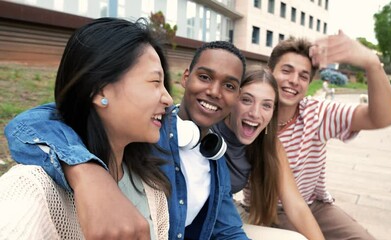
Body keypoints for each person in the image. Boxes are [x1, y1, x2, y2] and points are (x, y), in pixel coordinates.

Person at [4, 40, 249, 239]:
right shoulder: (150, 131)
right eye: (205, 77)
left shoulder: (209, 160)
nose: (215, 92)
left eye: (229, 85)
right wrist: (87, 172)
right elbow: (29, 123)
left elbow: (228, 230)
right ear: (186, 78)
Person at [0, 17, 174, 239]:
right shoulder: (31, 189)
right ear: (100, 91)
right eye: (154, 82)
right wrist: (85, 172)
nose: (168, 99)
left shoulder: (151, 187)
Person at [250, 30, 391, 239]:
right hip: (263, 210)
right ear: (269, 71)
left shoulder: (317, 113)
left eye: (303, 76)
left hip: (312, 204)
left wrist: (371, 63)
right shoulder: (250, 114)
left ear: (309, 84)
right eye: (286, 70)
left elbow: (382, 118)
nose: (293, 80)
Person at [212, 67, 324, 239]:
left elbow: (296, 206)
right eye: (246, 100)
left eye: (266, 105)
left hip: (226, 217)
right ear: (233, 99)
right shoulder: (209, 127)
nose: (255, 113)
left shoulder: (267, 144)